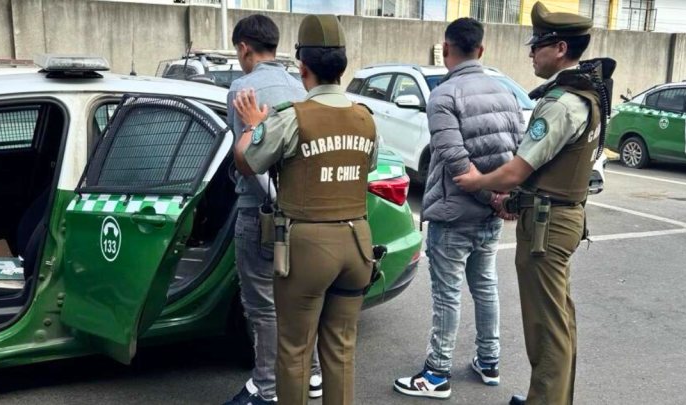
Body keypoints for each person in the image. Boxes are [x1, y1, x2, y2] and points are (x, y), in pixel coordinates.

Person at [453, 3, 615, 404]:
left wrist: (479, 180)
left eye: (537, 45)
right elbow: (555, 167)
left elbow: (516, 171)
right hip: (558, 218)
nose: (531, 52)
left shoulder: (562, 102)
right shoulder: (589, 91)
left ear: (559, 48)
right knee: (558, 320)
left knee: (546, 327)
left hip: (548, 226)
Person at [232, 14, 378, 405]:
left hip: (308, 246)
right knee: (342, 349)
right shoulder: (365, 117)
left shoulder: (291, 118)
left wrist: (252, 125)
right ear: (343, 67)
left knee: (295, 350)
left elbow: (248, 162)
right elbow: (368, 165)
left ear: (303, 67)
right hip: (358, 243)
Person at [393, 17, 523, 400]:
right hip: (490, 216)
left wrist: (488, 195)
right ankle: (489, 360)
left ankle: (436, 374)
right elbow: (515, 154)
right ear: (481, 50)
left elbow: (453, 158)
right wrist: (501, 199)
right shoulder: (506, 94)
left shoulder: (444, 96)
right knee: (485, 286)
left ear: (446, 49)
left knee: (448, 294)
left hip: (454, 214)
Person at [223, 14, 322, 405]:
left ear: (244, 48)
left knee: (262, 305)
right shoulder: (301, 87)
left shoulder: (243, 88)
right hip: (304, 212)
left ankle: (266, 388)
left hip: (259, 214)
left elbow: (245, 158)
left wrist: (268, 202)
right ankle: (312, 374)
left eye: (238, 51)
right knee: (300, 299)